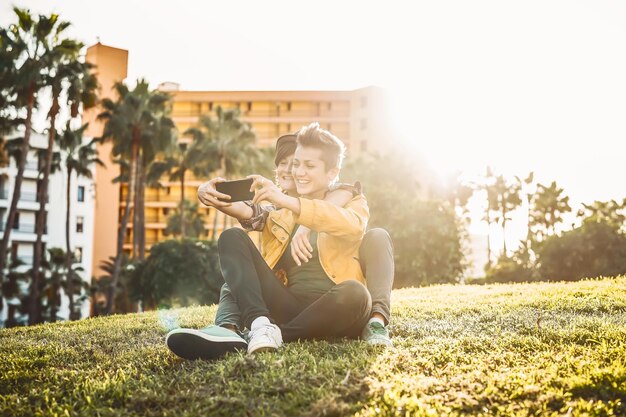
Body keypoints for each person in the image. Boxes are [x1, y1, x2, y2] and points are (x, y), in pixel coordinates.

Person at [166, 124, 393, 360]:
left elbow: (352, 224)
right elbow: (249, 212)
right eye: (297, 164)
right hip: (290, 306)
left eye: (309, 166)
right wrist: (209, 194)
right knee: (232, 237)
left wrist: (298, 215)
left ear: (332, 172)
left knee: (356, 291)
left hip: (340, 307)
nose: (298, 172)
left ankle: (265, 336)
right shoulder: (280, 213)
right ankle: (260, 326)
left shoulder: (352, 203)